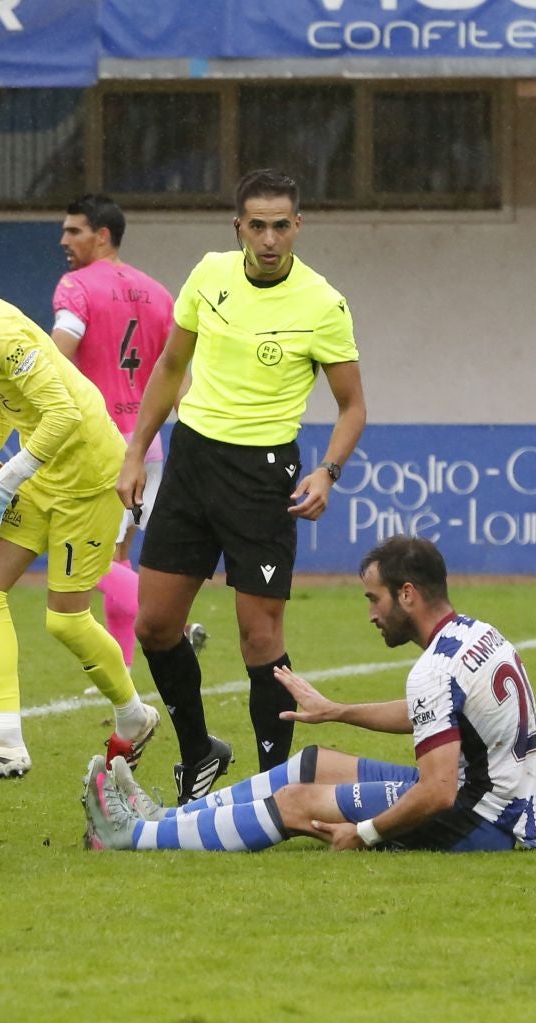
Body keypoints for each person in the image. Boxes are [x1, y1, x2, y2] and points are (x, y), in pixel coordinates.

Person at [118, 168, 368, 804]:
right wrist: (134, 453)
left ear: (298, 227)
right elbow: (171, 365)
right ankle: (199, 751)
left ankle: (269, 793)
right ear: (238, 228)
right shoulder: (209, 274)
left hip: (262, 477)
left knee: (261, 638)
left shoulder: (322, 303)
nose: (269, 238)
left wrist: (327, 471)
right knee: (154, 625)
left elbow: (352, 407)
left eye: (281, 225)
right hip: (193, 460)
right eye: (256, 225)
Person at [80, 536, 536, 855]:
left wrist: (364, 833)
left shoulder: (433, 668)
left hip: (487, 823)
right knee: (313, 763)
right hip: (500, 802)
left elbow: (439, 791)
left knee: (297, 802)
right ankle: (164, 818)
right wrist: (337, 711)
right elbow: (438, 715)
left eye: (374, 599)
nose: (371, 614)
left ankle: (132, 836)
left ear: (408, 594)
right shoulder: (478, 634)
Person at [0, 225, 159, 782]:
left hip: (89, 475)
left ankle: (133, 716)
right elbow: (5, 401)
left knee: (65, 623)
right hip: (42, 472)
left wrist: (6, 478)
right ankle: (5, 742)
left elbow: (63, 413)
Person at [48, 194, 205, 666]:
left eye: (73, 231)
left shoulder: (76, 287)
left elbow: (60, 350)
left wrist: (17, 379)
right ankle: (125, 690)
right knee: (113, 560)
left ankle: (179, 623)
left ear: (102, 235)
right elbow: (175, 376)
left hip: (98, 446)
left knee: (73, 555)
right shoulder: (159, 294)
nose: (64, 240)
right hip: (146, 446)